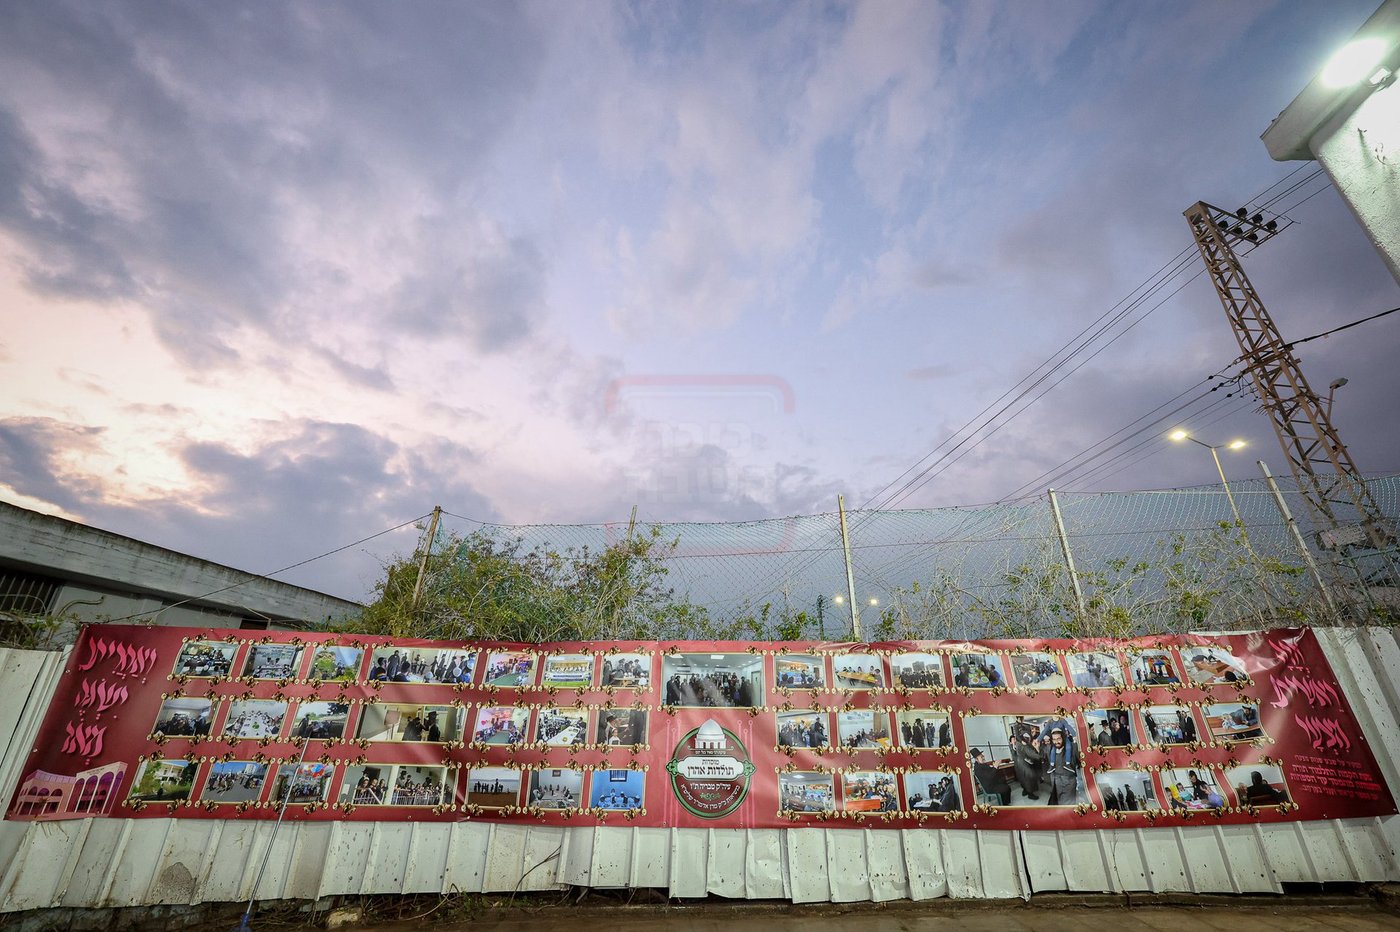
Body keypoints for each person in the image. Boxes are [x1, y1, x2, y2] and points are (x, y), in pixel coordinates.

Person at [1043, 728, 1081, 805]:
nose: (1056, 742)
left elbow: (1082, 761)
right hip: (1056, 782)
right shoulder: (1050, 749)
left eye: (1059, 739)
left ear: (1063, 738)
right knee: (1059, 803)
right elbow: (1042, 758)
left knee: (1068, 806)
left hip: (1069, 782)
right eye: (1054, 739)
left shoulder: (1073, 747)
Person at [1010, 731, 1042, 800]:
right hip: (1024, 766)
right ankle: (1030, 794)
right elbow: (1032, 754)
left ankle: (1026, 790)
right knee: (1028, 779)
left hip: (1021, 765)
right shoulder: (1023, 745)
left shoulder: (1019, 744)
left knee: (1024, 779)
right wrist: (1038, 751)